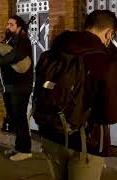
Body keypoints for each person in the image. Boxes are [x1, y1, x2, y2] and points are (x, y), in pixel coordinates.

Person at [38, 10, 117, 180]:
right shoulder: (104, 61)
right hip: (85, 143)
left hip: (50, 134)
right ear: (109, 33)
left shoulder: (53, 52)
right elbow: (111, 115)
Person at [0, 16, 34, 161]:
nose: (7, 26)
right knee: (13, 117)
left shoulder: (23, 41)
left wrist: (0, 61)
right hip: (8, 86)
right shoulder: (8, 40)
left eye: (11, 24)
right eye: (7, 23)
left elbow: (17, 55)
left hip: (20, 86)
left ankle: (25, 150)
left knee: (20, 117)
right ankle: (18, 146)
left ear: (19, 27)